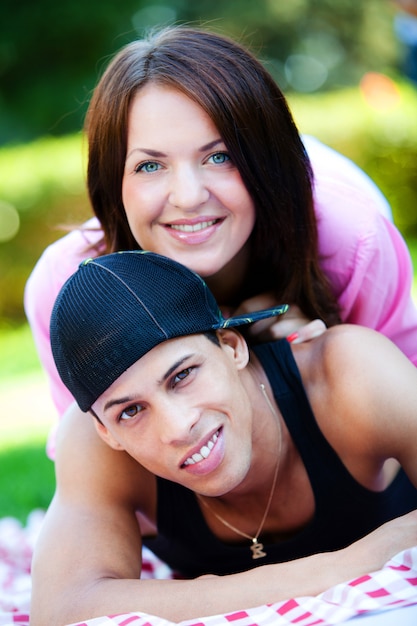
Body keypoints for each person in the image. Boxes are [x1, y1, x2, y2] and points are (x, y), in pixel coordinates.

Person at [24, 26, 417, 443]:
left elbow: (402, 418)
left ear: (263, 161)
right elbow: (94, 464)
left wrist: (329, 370)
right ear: (111, 183)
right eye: (150, 166)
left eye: (219, 156)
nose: (189, 197)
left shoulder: (354, 243)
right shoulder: (64, 287)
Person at [30, 250, 417, 626]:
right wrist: (354, 561)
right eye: (131, 411)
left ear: (231, 347)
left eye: (182, 376)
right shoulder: (92, 445)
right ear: (106, 432)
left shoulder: (345, 372)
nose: (178, 427)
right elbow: (62, 608)